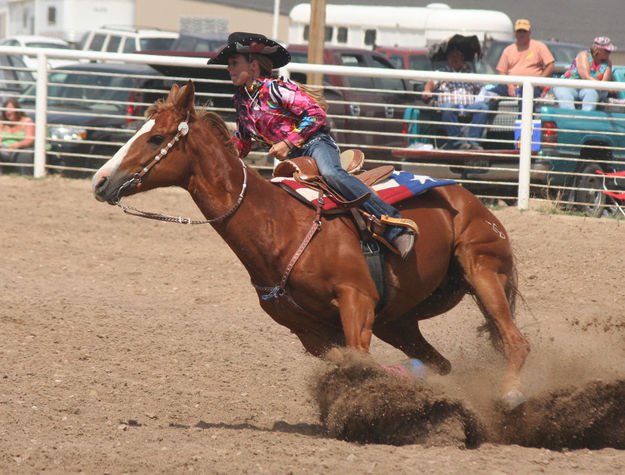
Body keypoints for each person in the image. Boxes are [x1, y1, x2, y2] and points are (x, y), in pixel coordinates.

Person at [208, 32, 415, 257]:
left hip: (315, 143)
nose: (229, 68)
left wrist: (288, 142)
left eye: (234, 63)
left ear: (254, 65)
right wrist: (219, 152)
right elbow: (243, 141)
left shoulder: (276, 89)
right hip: (294, 160)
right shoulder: (241, 101)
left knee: (332, 174)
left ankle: (394, 223)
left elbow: (315, 114)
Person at [422, 48, 488, 150]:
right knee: (448, 107)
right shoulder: (442, 72)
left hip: (467, 107)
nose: (455, 59)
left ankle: (473, 143)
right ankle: (458, 143)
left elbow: (483, 88)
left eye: (457, 56)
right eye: (452, 56)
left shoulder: (469, 74)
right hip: (449, 106)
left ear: (462, 59)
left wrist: (492, 95)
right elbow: (431, 83)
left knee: (483, 107)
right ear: (448, 59)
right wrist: (427, 90)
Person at [496, 19, 555, 101]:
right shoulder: (508, 50)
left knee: (526, 97)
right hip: (510, 86)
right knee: (491, 95)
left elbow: (551, 66)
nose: (521, 34)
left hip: (532, 87)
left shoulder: (539, 46)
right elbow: (502, 72)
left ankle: (522, 114)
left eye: (524, 31)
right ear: (515, 33)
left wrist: (538, 81)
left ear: (529, 33)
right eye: (519, 31)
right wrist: (510, 86)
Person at [553, 37, 615, 111]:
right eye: (607, 51)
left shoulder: (607, 63)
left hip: (590, 87)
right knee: (563, 93)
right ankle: (570, 117)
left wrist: (607, 87)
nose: (609, 53)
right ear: (598, 49)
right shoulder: (584, 55)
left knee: (592, 93)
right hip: (569, 84)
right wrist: (602, 85)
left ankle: (585, 117)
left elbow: (604, 82)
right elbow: (586, 76)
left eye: (610, 51)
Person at [0, 98, 35, 175]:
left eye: (10, 109)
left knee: (25, 155)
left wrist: (17, 145)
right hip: (4, 149)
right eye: (6, 110)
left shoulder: (27, 122)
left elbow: (30, 140)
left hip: (21, 148)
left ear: (17, 110)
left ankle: (25, 175)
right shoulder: (3, 123)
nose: (8, 112)